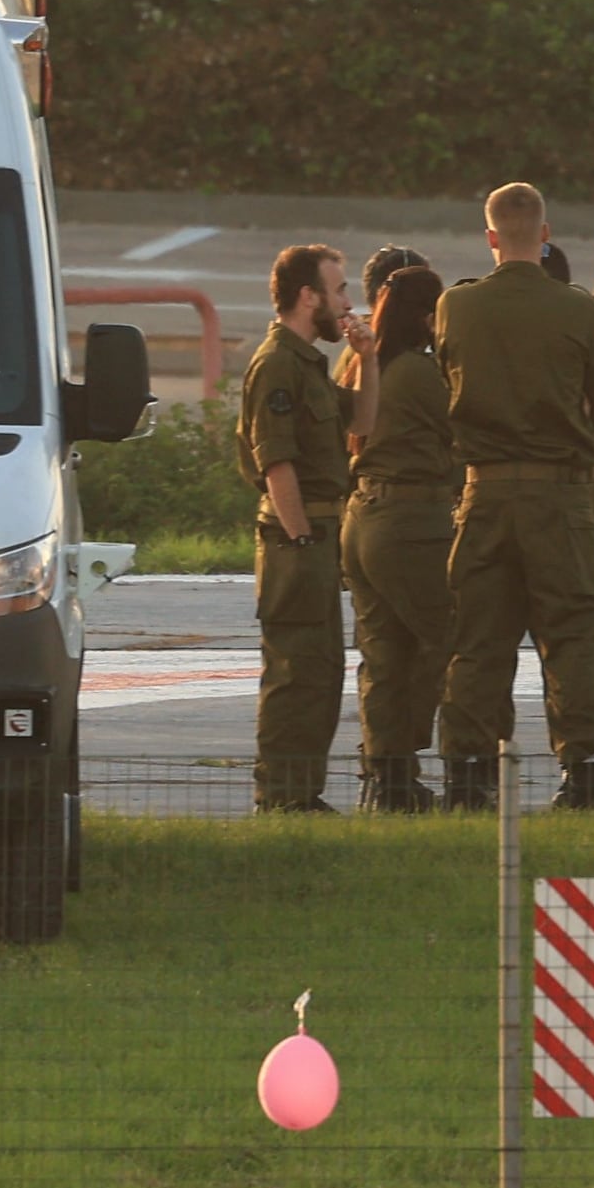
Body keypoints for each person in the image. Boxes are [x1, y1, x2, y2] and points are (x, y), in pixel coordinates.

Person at [432, 184, 594, 811]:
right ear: (546, 234)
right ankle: (585, 772)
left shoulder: (456, 308)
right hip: (558, 495)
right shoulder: (575, 309)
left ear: (490, 237)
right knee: (570, 637)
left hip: (484, 493)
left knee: (480, 641)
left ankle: (465, 774)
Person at [338, 262, 460, 813]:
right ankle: (422, 761)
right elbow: (463, 427)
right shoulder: (417, 372)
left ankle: (385, 777)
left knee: (384, 651)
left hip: (363, 514)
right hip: (410, 521)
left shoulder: (362, 361)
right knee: (450, 637)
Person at [234, 242, 350, 817]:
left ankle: (302, 791)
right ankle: (280, 795)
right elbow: (277, 463)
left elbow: (368, 422)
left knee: (322, 668)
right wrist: (302, 539)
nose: (346, 301)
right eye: (339, 289)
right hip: (295, 536)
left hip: (318, 534)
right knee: (294, 669)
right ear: (310, 297)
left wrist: (369, 357)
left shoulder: (309, 361)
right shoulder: (279, 363)